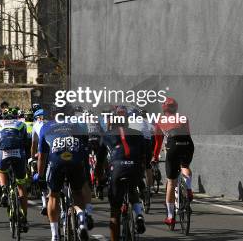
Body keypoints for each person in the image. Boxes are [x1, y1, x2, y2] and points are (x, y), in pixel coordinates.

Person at [36, 109, 94, 241]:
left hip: (56, 161)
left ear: (52, 115)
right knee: (78, 193)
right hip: (75, 159)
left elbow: (42, 156)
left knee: (53, 195)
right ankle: (80, 216)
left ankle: (55, 235)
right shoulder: (78, 125)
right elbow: (85, 148)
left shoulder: (46, 127)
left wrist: (39, 176)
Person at [104, 106, 146, 241]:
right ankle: (139, 215)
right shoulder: (137, 133)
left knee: (114, 212)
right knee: (133, 187)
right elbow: (147, 152)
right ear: (127, 121)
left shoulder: (107, 135)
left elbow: (99, 162)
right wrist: (143, 166)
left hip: (117, 170)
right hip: (135, 168)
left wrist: (99, 180)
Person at [152, 97, 194, 228]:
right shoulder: (184, 118)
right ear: (176, 108)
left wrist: (155, 157)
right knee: (185, 166)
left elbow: (158, 142)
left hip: (173, 145)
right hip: (188, 144)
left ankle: (170, 217)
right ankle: (188, 188)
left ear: (164, 109)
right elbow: (188, 133)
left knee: (171, 181)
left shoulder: (159, 120)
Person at [0, 109, 29, 232]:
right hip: (19, 153)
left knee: (2, 171)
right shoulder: (21, 124)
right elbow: (26, 143)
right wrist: (27, 159)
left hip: (4, 153)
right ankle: (24, 218)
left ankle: (3, 190)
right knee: (21, 185)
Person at [30, 108, 48, 215]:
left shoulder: (36, 124)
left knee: (41, 176)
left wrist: (32, 158)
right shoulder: (53, 121)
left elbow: (33, 145)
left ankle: (45, 203)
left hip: (44, 151)